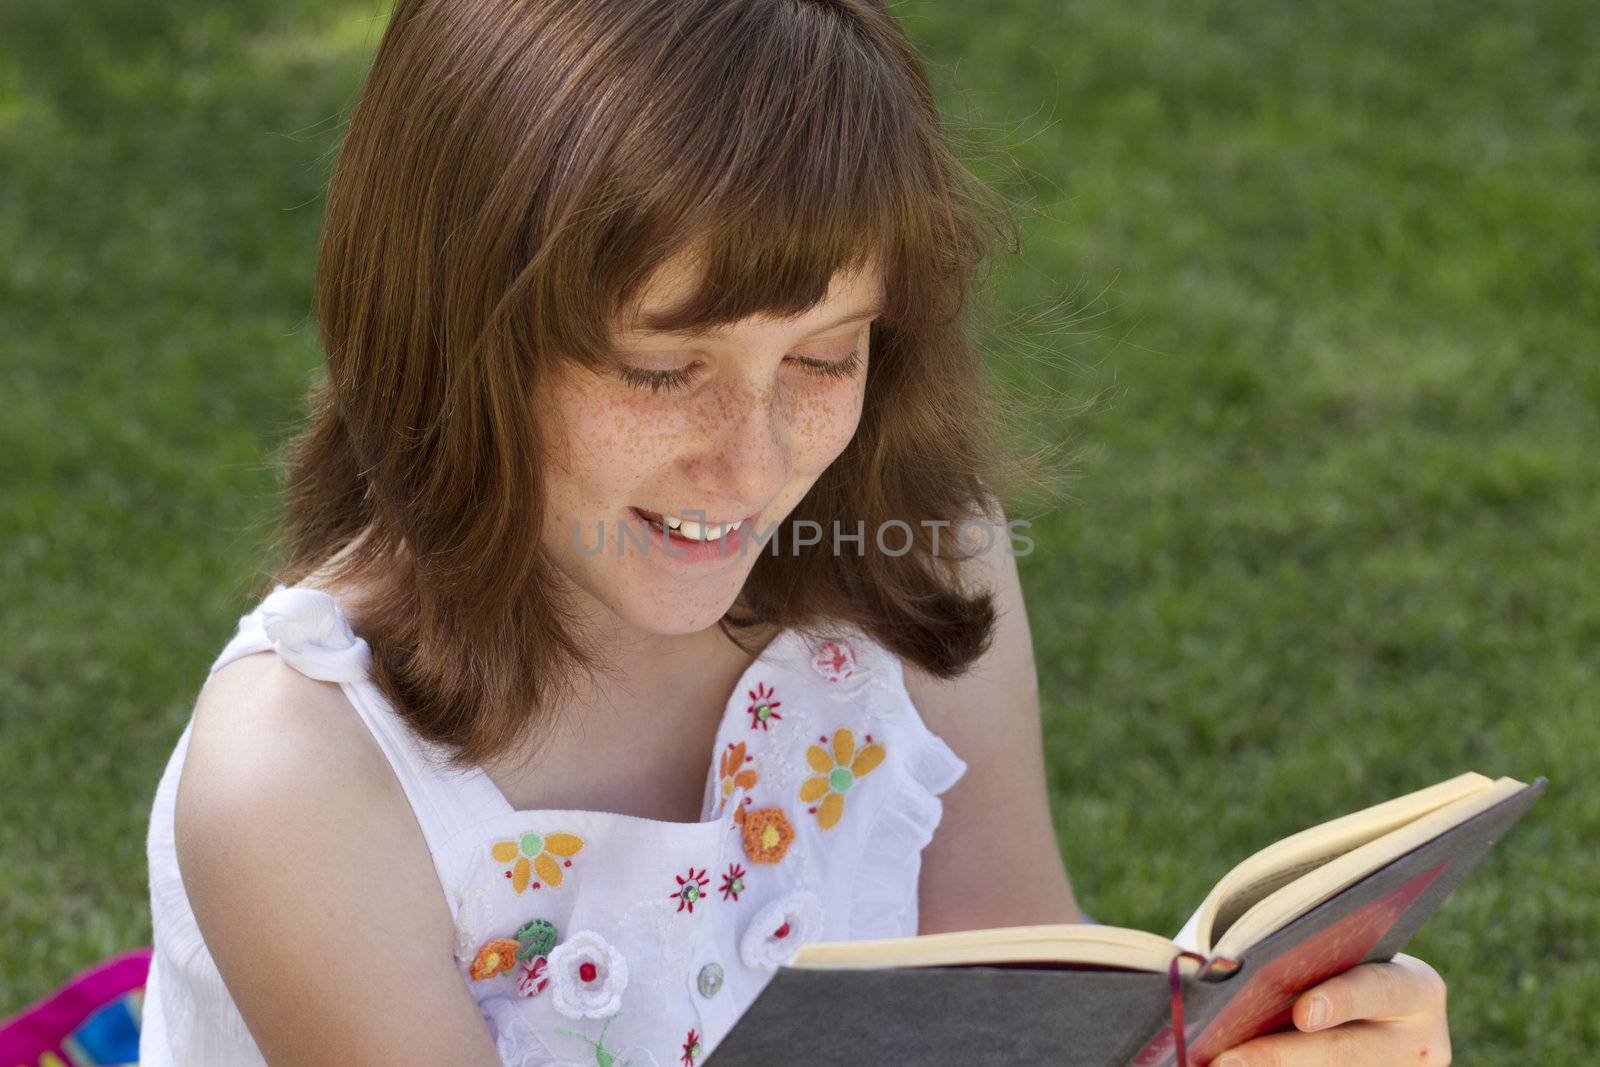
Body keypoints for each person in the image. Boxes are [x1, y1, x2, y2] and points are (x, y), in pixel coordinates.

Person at [139, 1, 1453, 1063]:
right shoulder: (302, 778)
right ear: (449, 341)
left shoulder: (915, 570)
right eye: (661, 372)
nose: (753, 464)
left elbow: (1027, 1010)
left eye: (824, 357)